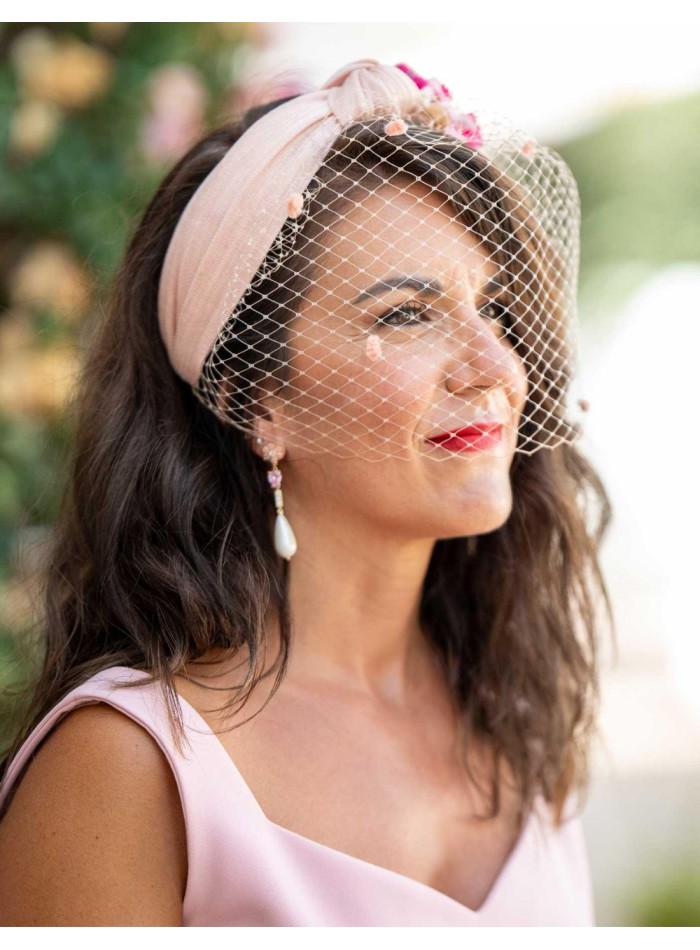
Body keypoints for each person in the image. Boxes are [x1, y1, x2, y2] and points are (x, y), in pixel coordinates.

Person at [0, 60, 612, 926]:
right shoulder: (130, 766)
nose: (494, 369)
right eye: (407, 314)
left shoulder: (520, 719)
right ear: (257, 399)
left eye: (496, 309)